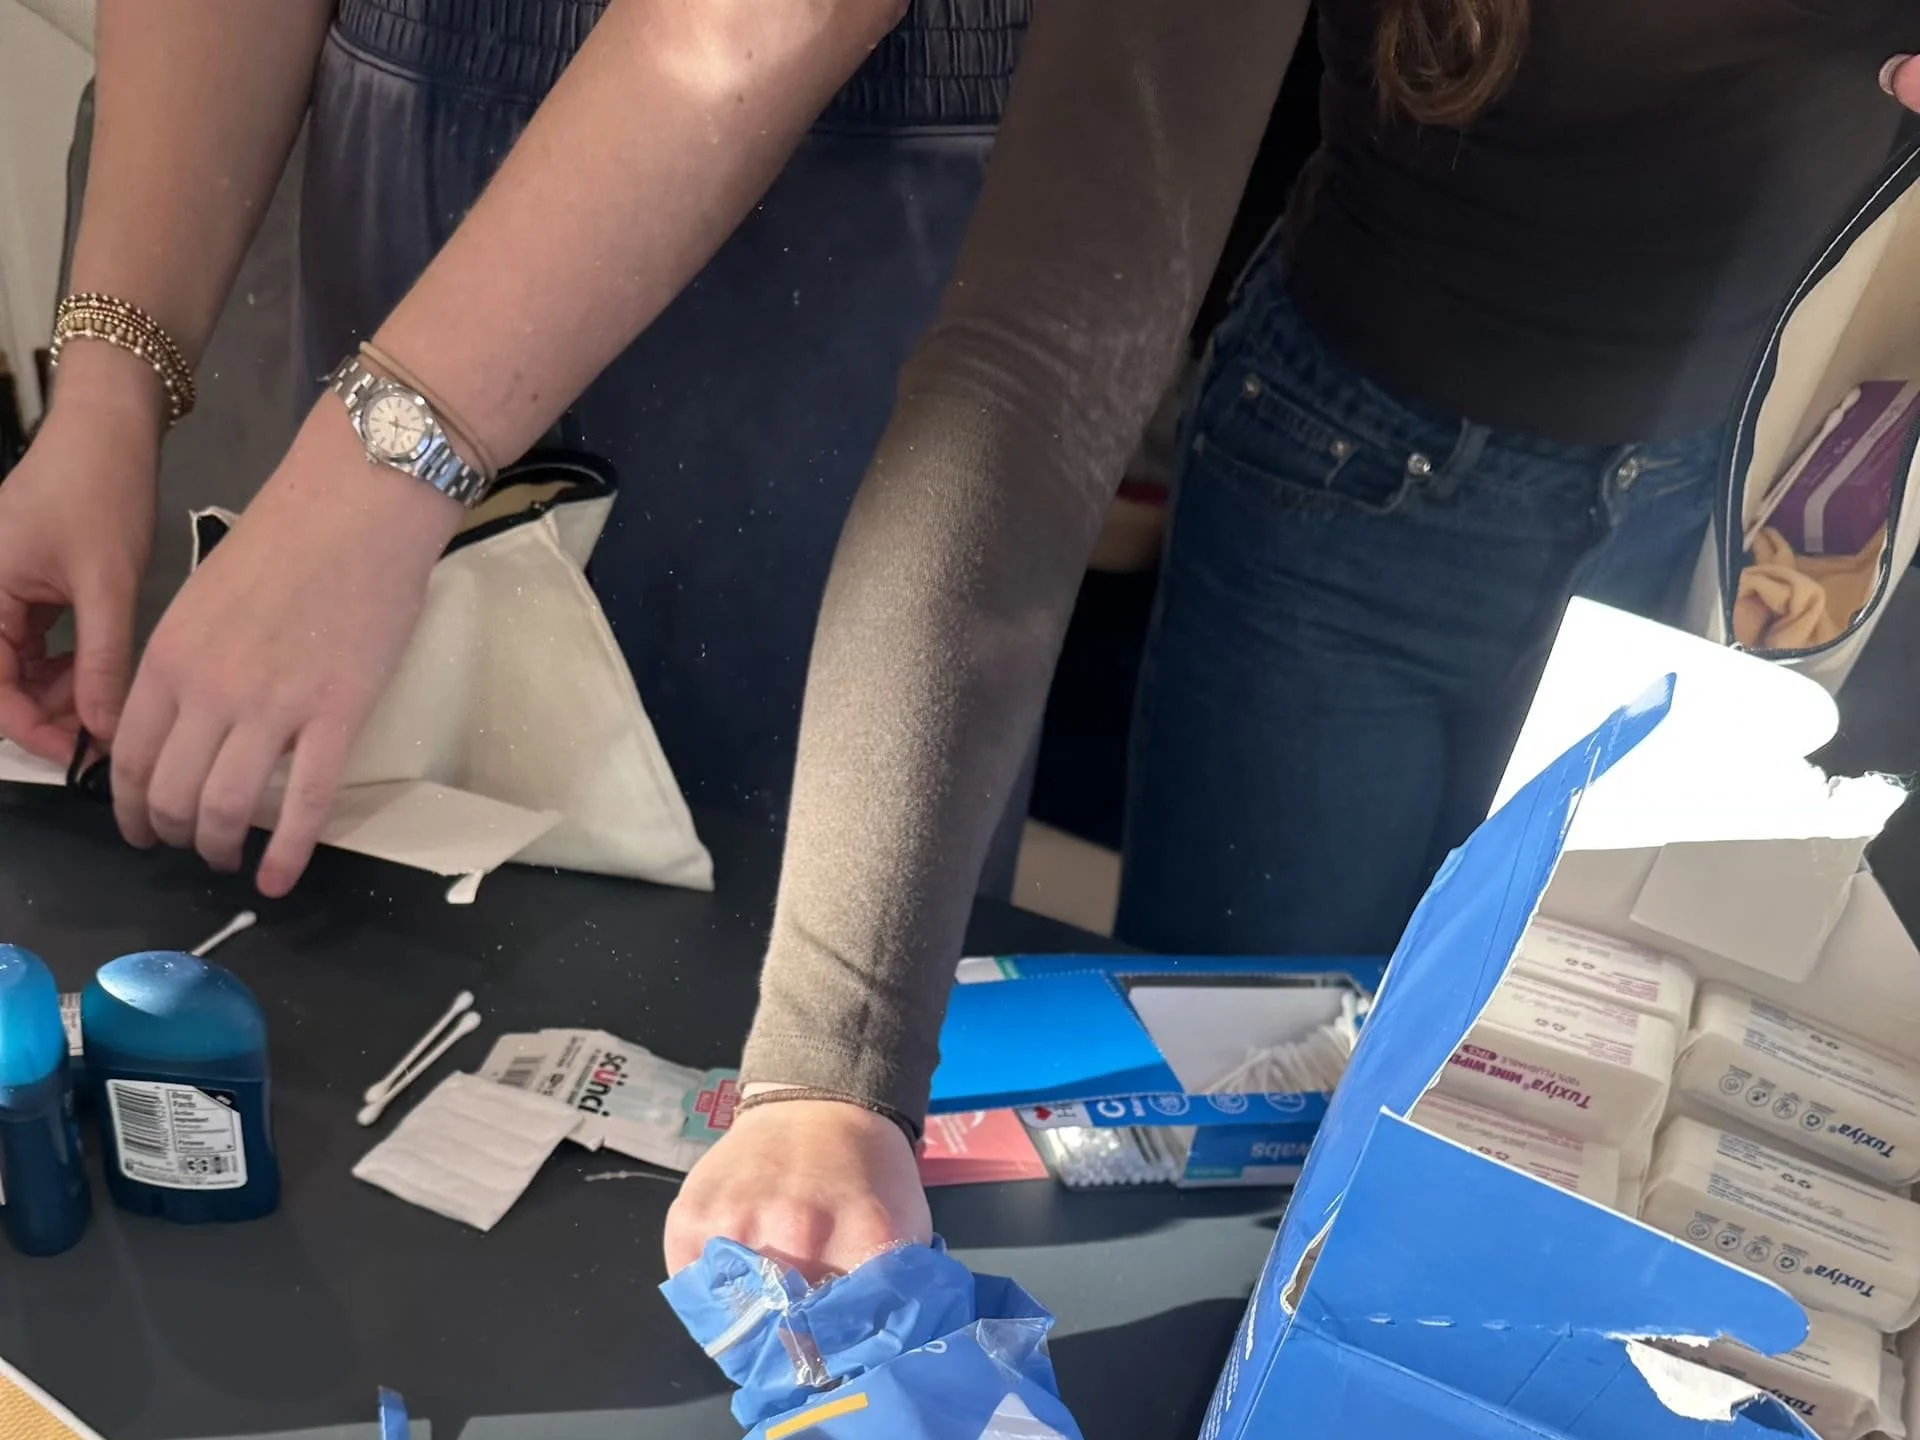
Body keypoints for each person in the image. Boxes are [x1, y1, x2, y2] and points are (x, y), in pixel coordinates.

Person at [667, 0, 1920, 1283]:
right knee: (1212, 1170)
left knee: (1566, 1139)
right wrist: (830, 1074)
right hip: (1350, 489)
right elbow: (1032, 364)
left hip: (1754, 516)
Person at [0, 0, 1027, 887]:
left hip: (837, 200)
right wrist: (106, 393)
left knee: (754, 1041)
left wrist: (377, 466)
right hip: (402, 164)